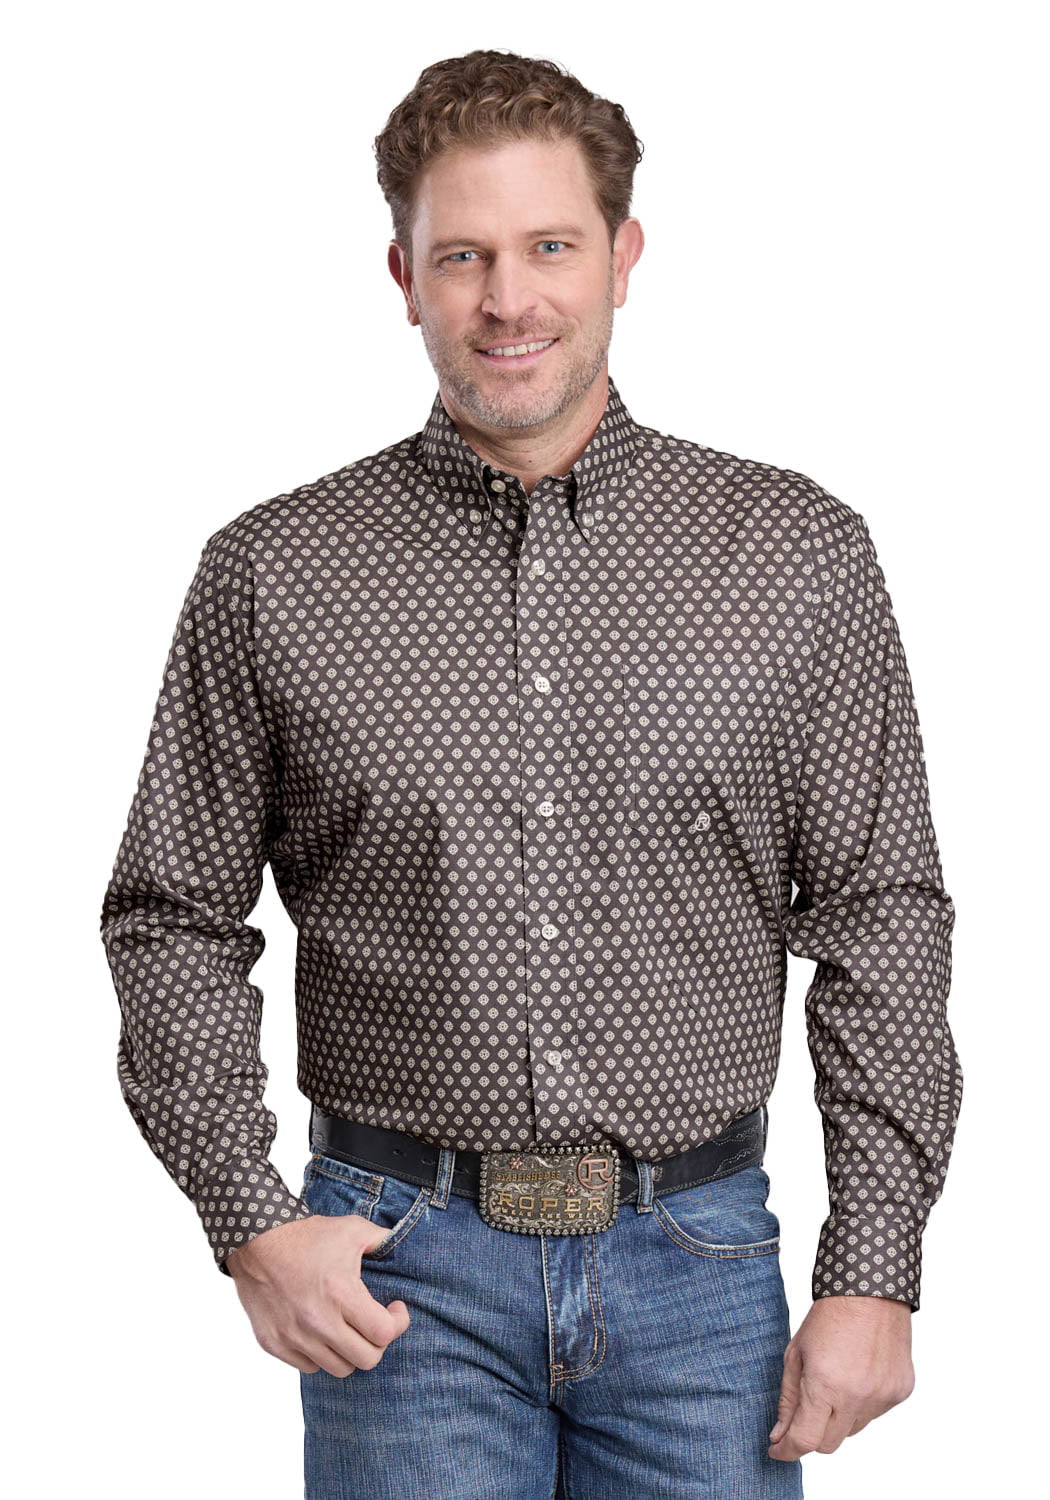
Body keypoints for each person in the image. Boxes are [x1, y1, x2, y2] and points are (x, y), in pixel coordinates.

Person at [99, 47, 963, 1500]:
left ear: (624, 256)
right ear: (405, 276)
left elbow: (881, 912)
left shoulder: (796, 555)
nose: (509, 300)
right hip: (393, 1278)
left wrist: (874, 1265)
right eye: (465, 257)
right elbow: (170, 915)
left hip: (702, 1273)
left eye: (550, 247)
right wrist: (249, 1219)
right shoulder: (274, 571)